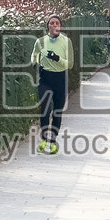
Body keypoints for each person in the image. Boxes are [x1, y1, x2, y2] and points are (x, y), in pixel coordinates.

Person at [32, 15, 74, 153]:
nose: (54, 25)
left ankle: (53, 140)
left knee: (57, 111)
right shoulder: (40, 42)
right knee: (44, 108)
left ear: (60, 26)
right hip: (45, 78)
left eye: (57, 23)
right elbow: (34, 56)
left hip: (60, 79)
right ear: (48, 26)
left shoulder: (66, 42)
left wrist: (57, 58)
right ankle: (44, 139)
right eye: (51, 23)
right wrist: (37, 61)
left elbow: (70, 64)